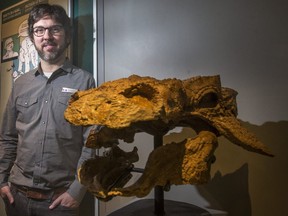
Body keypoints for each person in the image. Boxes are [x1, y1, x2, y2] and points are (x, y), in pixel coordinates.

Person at [0, 3, 95, 216]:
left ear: (66, 36)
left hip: (59, 202)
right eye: (39, 30)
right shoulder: (21, 83)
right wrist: (1, 181)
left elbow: (92, 143)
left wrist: (77, 191)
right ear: (33, 38)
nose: (47, 36)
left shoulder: (85, 81)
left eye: (55, 29)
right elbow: (7, 138)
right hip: (16, 197)